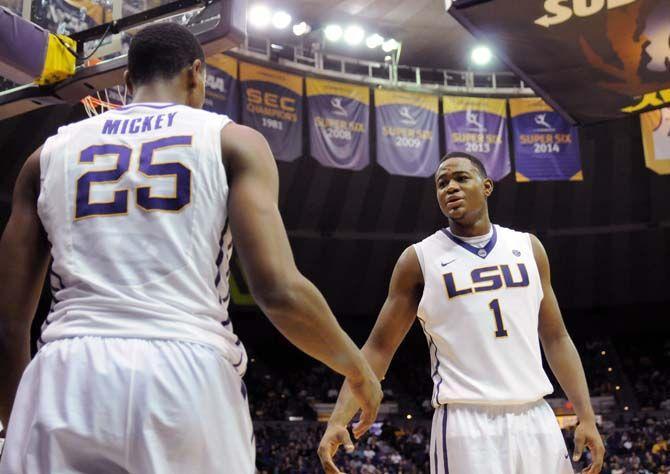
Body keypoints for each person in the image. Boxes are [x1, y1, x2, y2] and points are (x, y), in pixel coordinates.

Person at [0, 22, 381, 473]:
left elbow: (7, 324)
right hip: (184, 368)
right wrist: (357, 370)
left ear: (126, 83)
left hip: (65, 371)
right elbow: (278, 290)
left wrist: (20, 419)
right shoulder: (231, 140)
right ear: (197, 74)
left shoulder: (45, 157)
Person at [318, 152, 606, 474]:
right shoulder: (419, 260)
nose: (450, 188)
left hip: (536, 417)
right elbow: (378, 349)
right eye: (442, 183)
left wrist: (586, 417)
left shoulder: (528, 248)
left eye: (460, 179)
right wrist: (337, 419)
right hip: (466, 424)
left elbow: (556, 338)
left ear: (486, 187)